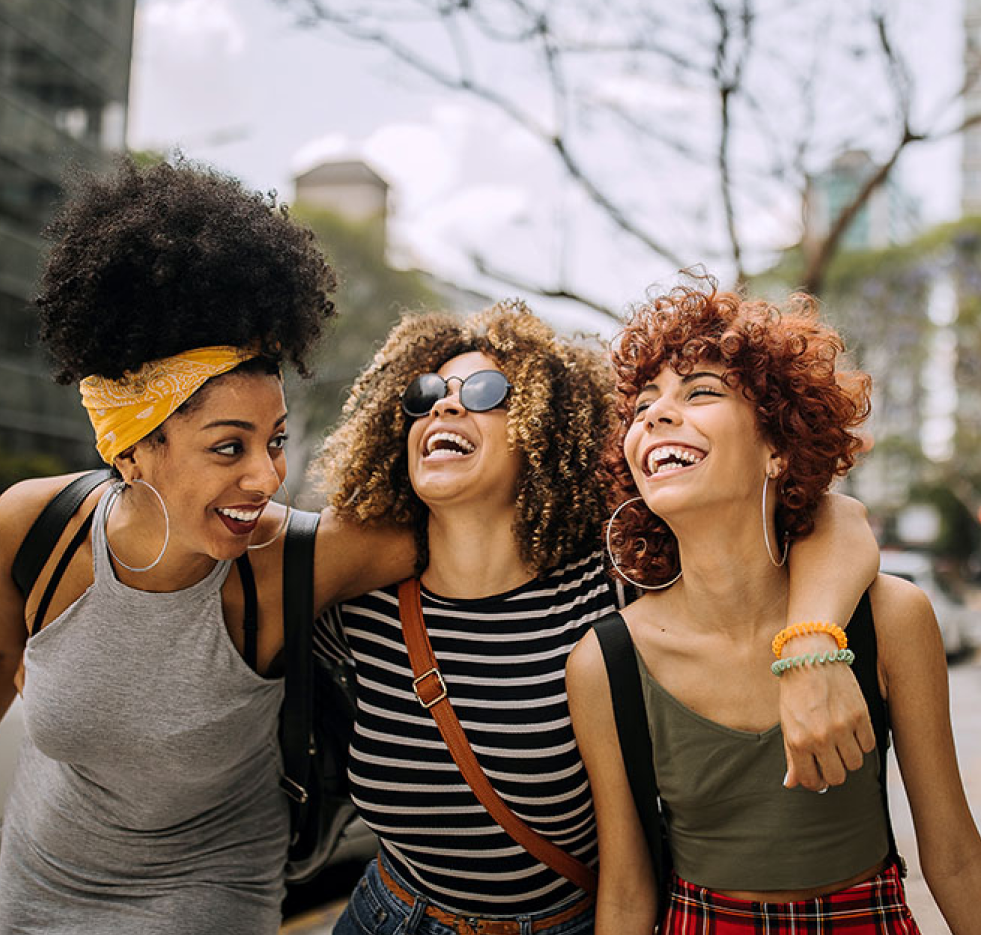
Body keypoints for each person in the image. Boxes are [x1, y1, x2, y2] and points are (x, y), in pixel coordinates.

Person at [313, 300, 882, 934]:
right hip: (387, 915)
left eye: (483, 390)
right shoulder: (361, 604)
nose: (444, 406)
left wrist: (811, 646)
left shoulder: (616, 587)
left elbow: (840, 519)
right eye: (425, 394)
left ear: (544, 424)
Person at [0, 157, 413, 934]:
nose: (266, 477)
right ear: (135, 451)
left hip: (208, 896)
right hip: (35, 887)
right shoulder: (34, 527)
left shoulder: (293, 565)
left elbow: (461, 529)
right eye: (227, 447)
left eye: (274, 441)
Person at [566, 281, 981, 933]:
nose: (654, 415)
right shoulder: (605, 662)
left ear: (778, 448)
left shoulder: (892, 618)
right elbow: (625, 891)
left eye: (700, 391)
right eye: (643, 407)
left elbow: (956, 858)